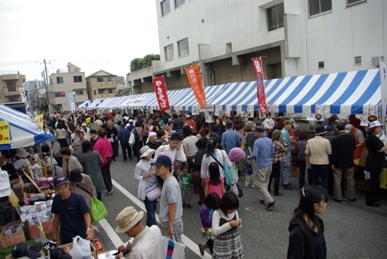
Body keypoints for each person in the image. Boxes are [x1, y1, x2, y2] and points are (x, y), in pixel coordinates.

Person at [287, 186, 328, 259]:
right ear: (315, 206)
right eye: (323, 202)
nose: (325, 204)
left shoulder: (318, 222)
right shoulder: (298, 233)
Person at [51, 176, 93, 244]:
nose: (64, 190)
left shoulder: (78, 198)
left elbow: (86, 215)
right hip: (66, 236)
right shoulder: (56, 200)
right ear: (56, 189)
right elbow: (57, 216)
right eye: (60, 188)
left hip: (80, 234)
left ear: (68, 186)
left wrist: (88, 229)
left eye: (65, 187)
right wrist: (54, 233)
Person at [155, 155, 184, 243]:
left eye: (159, 167)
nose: (157, 169)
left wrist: (170, 226)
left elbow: (172, 206)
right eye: (156, 166)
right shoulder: (167, 181)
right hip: (171, 223)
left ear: (167, 168)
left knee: (176, 252)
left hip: (173, 224)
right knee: (172, 251)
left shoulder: (170, 184)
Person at [251, 126, 277, 211]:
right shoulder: (269, 140)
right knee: (266, 181)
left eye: (255, 132)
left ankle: (271, 200)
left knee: (261, 184)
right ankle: (263, 198)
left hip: (261, 164)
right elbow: (273, 152)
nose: (254, 133)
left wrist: (249, 157)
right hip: (269, 163)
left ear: (258, 133)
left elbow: (255, 154)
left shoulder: (257, 142)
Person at [212, 191, 244, 259]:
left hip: (234, 241)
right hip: (222, 244)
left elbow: (237, 227)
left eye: (234, 208)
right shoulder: (217, 213)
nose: (232, 210)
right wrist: (229, 224)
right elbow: (215, 232)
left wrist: (238, 224)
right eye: (231, 208)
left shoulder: (235, 211)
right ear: (225, 206)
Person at [330, 123, 356, 203]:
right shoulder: (351, 137)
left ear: (337, 129)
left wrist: (332, 163)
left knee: (337, 179)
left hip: (338, 162)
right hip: (349, 160)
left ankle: (338, 197)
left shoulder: (335, 139)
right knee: (350, 178)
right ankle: (352, 196)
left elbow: (334, 153)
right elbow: (354, 147)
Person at [365, 121, 387, 207]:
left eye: (380, 128)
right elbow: (380, 149)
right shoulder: (373, 138)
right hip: (374, 161)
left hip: (374, 160)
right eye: (378, 128)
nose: (379, 129)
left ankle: (372, 197)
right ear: (373, 129)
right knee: (374, 181)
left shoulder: (371, 137)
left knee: (375, 180)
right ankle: (370, 200)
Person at [134, 146, 157, 226]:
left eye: (151, 153)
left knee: (153, 208)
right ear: (145, 155)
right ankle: (153, 226)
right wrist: (146, 176)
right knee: (150, 209)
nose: (151, 154)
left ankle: (149, 223)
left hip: (154, 187)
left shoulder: (153, 161)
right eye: (149, 153)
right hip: (146, 188)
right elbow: (136, 177)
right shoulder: (139, 165)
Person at [305, 126, 332, 191]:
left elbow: (307, 152)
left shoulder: (310, 141)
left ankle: (315, 195)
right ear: (324, 134)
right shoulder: (326, 141)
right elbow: (329, 152)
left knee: (315, 180)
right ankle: (324, 195)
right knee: (324, 180)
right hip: (324, 163)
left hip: (314, 162)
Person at [0, 150, 20, 226]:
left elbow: (17, 179)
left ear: (4, 156)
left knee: (11, 219)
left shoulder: (9, 167)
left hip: (10, 197)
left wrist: (4, 184)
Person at [94, 129, 114, 196]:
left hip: (103, 158)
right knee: (107, 171)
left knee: (103, 173)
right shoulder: (107, 140)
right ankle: (110, 185)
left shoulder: (98, 141)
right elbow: (111, 149)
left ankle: (108, 187)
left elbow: (96, 151)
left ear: (98, 134)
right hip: (109, 157)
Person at [270, 129, 287, 196]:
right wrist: (284, 141)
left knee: (270, 176)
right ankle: (276, 191)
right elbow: (285, 149)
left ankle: (268, 188)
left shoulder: (271, 142)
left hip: (271, 161)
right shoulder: (277, 143)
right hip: (276, 161)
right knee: (277, 177)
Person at [281, 120, 292, 190]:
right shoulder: (284, 132)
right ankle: (285, 182)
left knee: (284, 166)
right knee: (286, 166)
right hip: (286, 152)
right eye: (290, 125)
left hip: (285, 151)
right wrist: (286, 148)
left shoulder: (284, 132)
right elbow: (285, 141)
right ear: (286, 125)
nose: (291, 126)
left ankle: (285, 181)